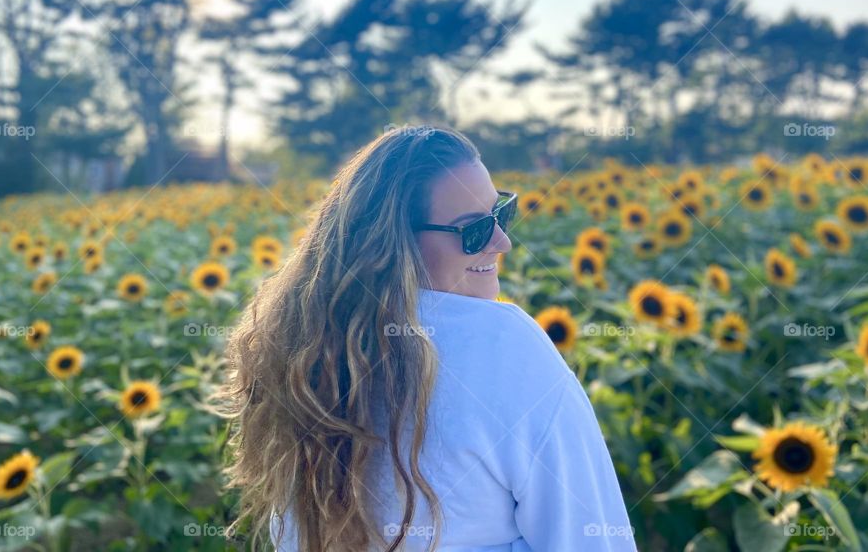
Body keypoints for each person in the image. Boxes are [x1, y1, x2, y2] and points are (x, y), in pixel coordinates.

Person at [219, 126, 636, 551]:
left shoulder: (301, 352)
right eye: (473, 229)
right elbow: (594, 538)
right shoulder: (504, 347)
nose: (502, 242)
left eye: (501, 213)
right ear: (394, 242)